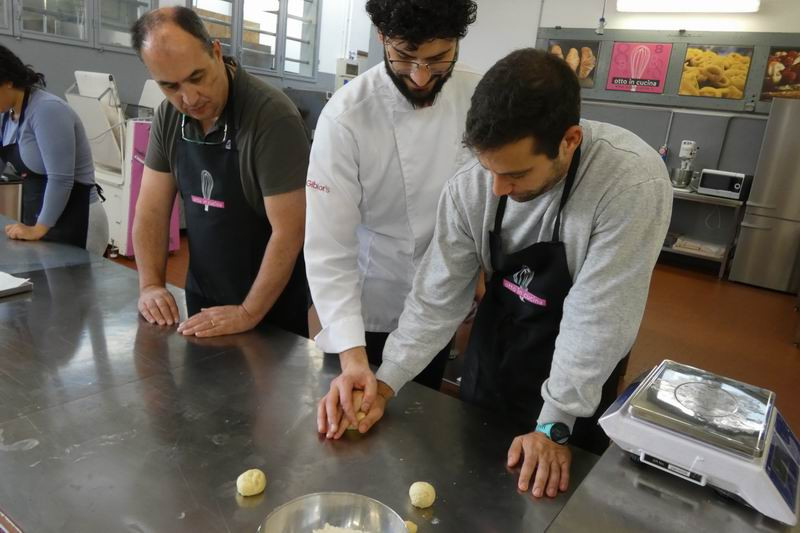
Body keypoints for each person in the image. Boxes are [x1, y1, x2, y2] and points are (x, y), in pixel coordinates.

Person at [318, 49, 672, 498]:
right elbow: (436, 298)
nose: (499, 189)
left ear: (570, 140)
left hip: (578, 377)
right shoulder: (472, 187)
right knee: (473, 486)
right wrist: (384, 383)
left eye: (517, 174)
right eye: (490, 170)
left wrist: (555, 425)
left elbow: (597, 317)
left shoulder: (629, 183)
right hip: (498, 346)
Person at [306, 0, 480, 424]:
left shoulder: (479, 99)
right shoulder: (346, 117)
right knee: (354, 415)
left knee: (419, 420)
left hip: (442, 294)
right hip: (369, 302)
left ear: (458, 40)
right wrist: (351, 355)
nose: (421, 76)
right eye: (404, 57)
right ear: (382, 37)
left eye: (438, 59)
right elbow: (329, 246)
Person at [130, 7, 309, 338]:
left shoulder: (270, 118)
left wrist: (248, 312)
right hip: (203, 296)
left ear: (216, 52)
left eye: (197, 77)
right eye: (170, 86)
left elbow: (290, 230)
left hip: (271, 311)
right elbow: (152, 210)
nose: (190, 98)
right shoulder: (169, 117)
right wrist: (151, 285)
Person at [0, 45, 108, 255]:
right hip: (42, 222)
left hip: (76, 221)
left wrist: (38, 230)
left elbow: (61, 178)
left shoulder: (47, 110)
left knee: (73, 288)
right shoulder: (6, 116)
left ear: (8, 81)